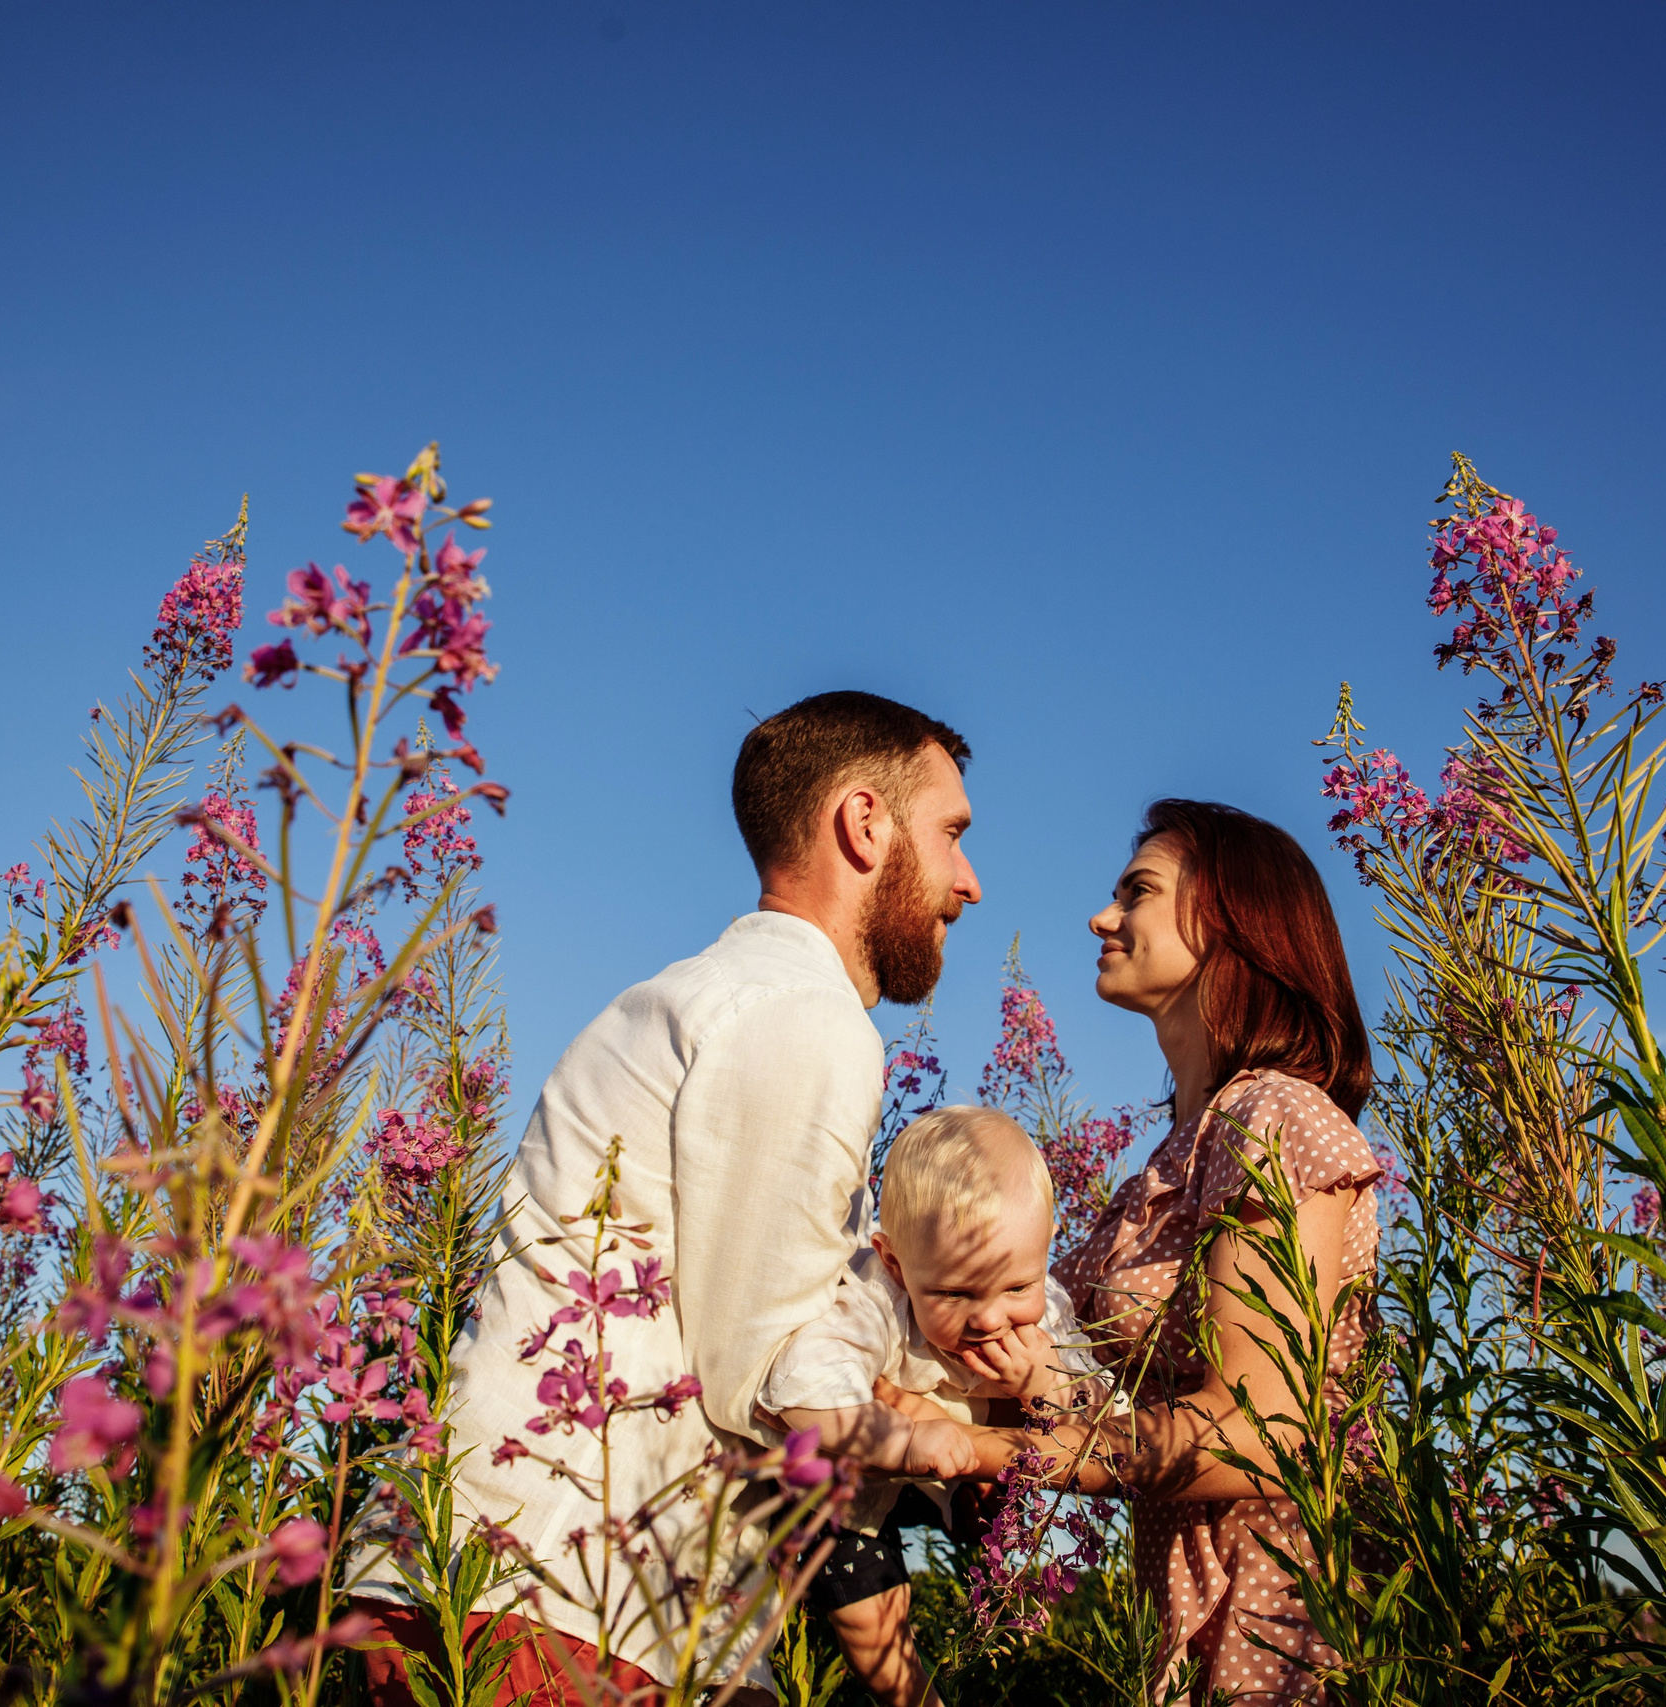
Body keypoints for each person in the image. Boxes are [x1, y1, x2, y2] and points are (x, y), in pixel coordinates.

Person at [349, 690, 981, 1707]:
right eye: (951, 833)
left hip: (492, 1569)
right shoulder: (805, 1018)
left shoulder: (694, 996)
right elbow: (771, 1380)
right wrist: (980, 1431)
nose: (968, 881)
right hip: (565, 1600)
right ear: (865, 824)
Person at [968, 798, 1382, 1707]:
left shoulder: (1273, 1114)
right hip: (1192, 1621)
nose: (1101, 917)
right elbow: (1082, 1391)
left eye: (1137, 891)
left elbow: (1263, 1431)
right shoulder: (1176, 1155)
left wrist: (972, 1449)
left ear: (1234, 917)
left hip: (1279, 1622)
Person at [759, 1105, 1104, 1707]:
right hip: (862, 1474)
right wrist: (902, 1441)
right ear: (895, 1262)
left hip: (956, 1461)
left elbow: (1106, 1413)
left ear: (1048, 1245)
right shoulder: (878, 1297)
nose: (990, 1317)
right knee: (868, 1612)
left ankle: (966, 1527)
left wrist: (1046, 1383)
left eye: (1016, 1287)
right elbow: (801, 1384)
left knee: (999, 1511)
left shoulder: (1046, 1311)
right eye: (953, 1293)